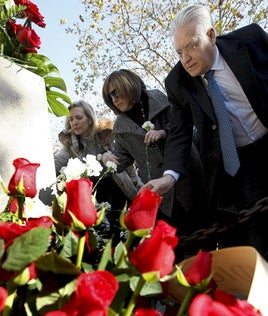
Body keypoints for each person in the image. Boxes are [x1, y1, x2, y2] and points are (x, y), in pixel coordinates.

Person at [143, 5, 268, 258]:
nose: (185, 58)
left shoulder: (251, 39)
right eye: (179, 52)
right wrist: (169, 177)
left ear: (211, 35)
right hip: (240, 164)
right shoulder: (177, 83)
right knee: (260, 241)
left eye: (191, 46)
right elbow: (179, 132)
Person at [102, 69, 204, 235]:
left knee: (206, 236)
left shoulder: (158, 99)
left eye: (116, 92)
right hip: (161, 194)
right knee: (177, 247)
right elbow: (120, 163)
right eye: (110, 97)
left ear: (129, 85)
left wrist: (163, 132)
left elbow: (183, 124)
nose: (114, 99)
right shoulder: (120, 127)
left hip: (190, 178)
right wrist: (106, 158)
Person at [54, 100, 135, 235]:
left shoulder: (107, 135)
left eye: (79, 118)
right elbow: (58, 161)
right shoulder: (70, 144)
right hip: (93, 196)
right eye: (71, 119)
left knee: (125, 229)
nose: (74, 122)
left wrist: (135, 179)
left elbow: (124, 159)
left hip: (117, 187)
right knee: (105, 234)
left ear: (90, 120)